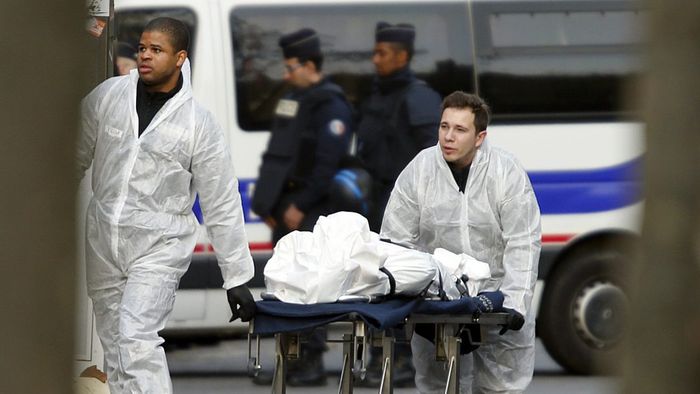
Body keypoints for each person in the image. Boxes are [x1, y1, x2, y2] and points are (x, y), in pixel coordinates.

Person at [76, 17, 256, 394]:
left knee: (137, 340)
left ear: (179, 58)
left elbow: (221, 200)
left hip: (159, 246)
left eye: (156, 50)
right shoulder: (110, 96)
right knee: (115, 349)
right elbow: (71, 155)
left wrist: (236, 276)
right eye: (142, 48)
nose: (144, 56)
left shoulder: (198, 124)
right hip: (104, 239)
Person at [381, 91, 542, 393]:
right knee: (438, 384)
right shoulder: (421, 170)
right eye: (444, 127)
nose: (448, 137)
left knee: (499, 386)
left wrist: (516, 302)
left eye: (460, 129)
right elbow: (396, 238)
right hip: (438, 299)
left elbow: (523, 240)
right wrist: (399, 294)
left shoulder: (504, 172)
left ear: (480, 137)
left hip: (497, 297)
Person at [250, 28, 354, 386]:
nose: (286, 74)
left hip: (310, 210)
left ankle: (310, 363)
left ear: (310, 65)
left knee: (310, 288)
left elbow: (328, 165)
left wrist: (300, 205)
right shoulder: (292, 99)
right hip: (284, 208)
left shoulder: (331, 105)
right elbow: (276, 155)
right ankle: (289, 361)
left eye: (291, 66)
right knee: (285, 286)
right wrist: (267, 203)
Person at [355, 21, 442, 387]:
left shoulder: (417, 97)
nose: (375, 60)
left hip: (406, 209)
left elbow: (433, 159)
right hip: (377, 203)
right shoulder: (378, 95)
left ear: (402, 56)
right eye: (374, 52)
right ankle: (382, 355)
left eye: (383, 53)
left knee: (403, 283)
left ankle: (403, 359)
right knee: (376, 282)